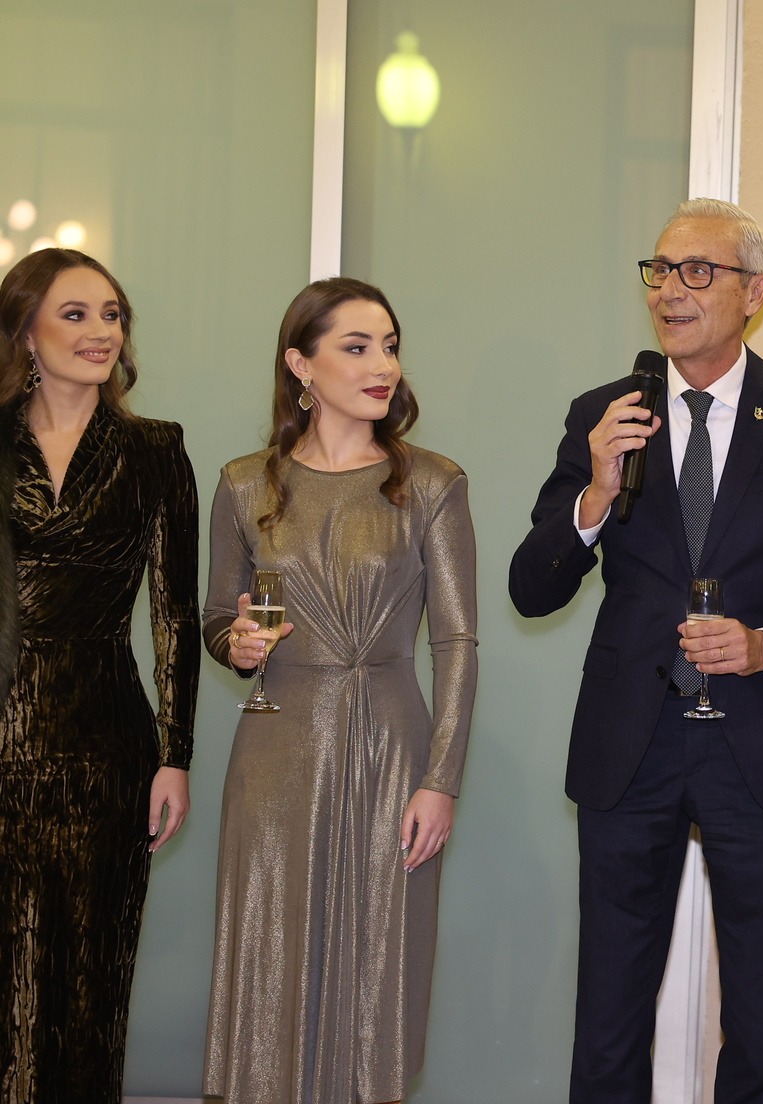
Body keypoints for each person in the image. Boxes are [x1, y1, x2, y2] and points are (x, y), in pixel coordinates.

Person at [509, 198, 763, 1103]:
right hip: (629, 744)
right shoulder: (604, 416)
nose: (669, 292)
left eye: (697, 272)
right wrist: (595, 492)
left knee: (759, 1019)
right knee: (609, 1015)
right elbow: (534, 588)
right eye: (659, 271)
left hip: (758, 748)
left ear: (755, 293)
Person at [201, 277, 478, 1104]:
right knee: (270, 956)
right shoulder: (244, 484)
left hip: (392, 748)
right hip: (274, 750)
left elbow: (456, 642)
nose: (382, 364)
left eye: (389, 346)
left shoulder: (431, 482)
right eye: (356, 347)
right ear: (301, 365)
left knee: (379, 970)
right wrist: (236, 644)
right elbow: (216, 618)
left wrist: (441, 778)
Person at [0, 248, 199, 1101]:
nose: (100, 332)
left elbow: (174, 615)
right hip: (1, 730)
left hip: (107, 745)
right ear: (26, 332)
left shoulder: (155, 449)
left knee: (91, 987)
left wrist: (175, 754)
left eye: (112, 315)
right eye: (75, 314)